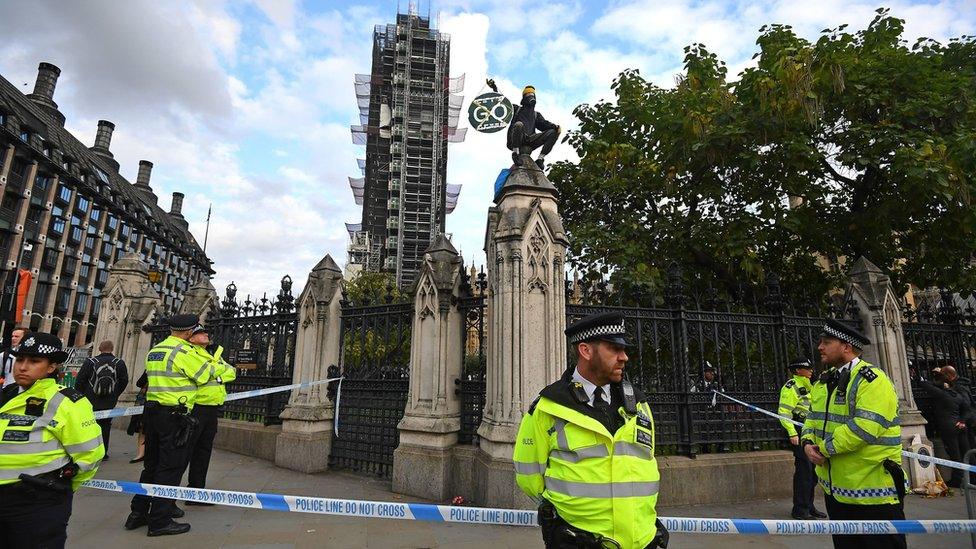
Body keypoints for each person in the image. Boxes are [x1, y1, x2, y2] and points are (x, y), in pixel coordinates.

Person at [513, 312, 668, 549]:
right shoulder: (548, 408)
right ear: (585, 351)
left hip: (643, 541)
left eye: (624, 349)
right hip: (579, 543)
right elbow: (529, 478)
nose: (624, 357)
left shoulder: (638, 404)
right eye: (615, 348)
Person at [801, 319, 905, 549]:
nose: (820, 347)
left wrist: (824, 449)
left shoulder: (872, 380)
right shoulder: (823, 382)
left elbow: (865, 427)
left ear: (846, 347)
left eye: (826, 342)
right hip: (836, 492)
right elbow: (811, 418)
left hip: (873, 493)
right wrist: (807, 443)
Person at [0, 332, 104, 548]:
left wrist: (60, 486)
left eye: (34, 361)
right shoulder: (7, 394)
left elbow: (90, 455)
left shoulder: (68, 402)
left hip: (38, 500)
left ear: (51, 367)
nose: (22, 367)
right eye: (20, 359)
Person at [125, 314, 213, 537]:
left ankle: (138, 512)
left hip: (152, 414)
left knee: (151, 466)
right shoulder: (182, 352)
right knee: (170, 467)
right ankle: (160, 520)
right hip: (175, 416)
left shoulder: (157, 349)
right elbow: (204, 376)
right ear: (188, 332)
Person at [180, 323, 236, 501]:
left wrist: (216, 374)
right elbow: (200, 375)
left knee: (203, 452)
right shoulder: (189, 352)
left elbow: (231, 372)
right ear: (191, 337)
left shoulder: (214, 353)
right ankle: (168, 497)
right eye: (200, 333)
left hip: (212, 409)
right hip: (195, 407)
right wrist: (217, 373)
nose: (205, 334)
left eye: (205, 332)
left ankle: (196, 492)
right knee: (184, 453)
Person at [777, 357, 825, 520]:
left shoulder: (811, 385)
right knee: (804, 472)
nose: (811, 370)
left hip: (811, 430)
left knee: (813, 472)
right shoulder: (791, 386)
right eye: (807, 368)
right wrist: (792, 433)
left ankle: (809, 506)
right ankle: (800, 509)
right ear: (797, 370)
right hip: (799, 429)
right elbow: (784, 412)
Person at [914, 366, 970, 487]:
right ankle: (970, 478)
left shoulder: (941, 394)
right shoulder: (957, 395)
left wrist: (938, 381)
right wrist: (962, 421)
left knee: (954, 453)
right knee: (965, 452)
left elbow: (924, 384)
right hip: (959, 426)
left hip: (948, 427)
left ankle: (957, 479)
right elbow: (966, 409)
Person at [74, 340, 128, 460]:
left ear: (99, 348)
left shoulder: (90, 362)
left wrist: (82, 395)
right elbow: (124, 381)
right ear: (112, 348)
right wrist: (115, 394)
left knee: (89, 424)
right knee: (105, 425)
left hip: (90, 399)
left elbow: (80, 381)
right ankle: (103, 452)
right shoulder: (119, 363)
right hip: (109, 400)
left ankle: (90, 450)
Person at [506, 85, 560, 170]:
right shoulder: (516, 109)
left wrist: (555, 127)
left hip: (531, 139)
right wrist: (495, 90)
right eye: (528, 95)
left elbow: (543, 125)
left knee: (553, 132)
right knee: (519, 125)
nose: (530, 97)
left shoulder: (536, 115)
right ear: (524, 98)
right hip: (517, 138)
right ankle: (515, 154)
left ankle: (540, 159)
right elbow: (502, 105)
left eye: (532, 95)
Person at [126, 370, 148, 463]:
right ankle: (142, 453)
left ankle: (141, 453)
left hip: (146, 400)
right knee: (143, 428)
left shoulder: (151, 366)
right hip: (149, 401)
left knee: (142, 428)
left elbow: (140, 382)